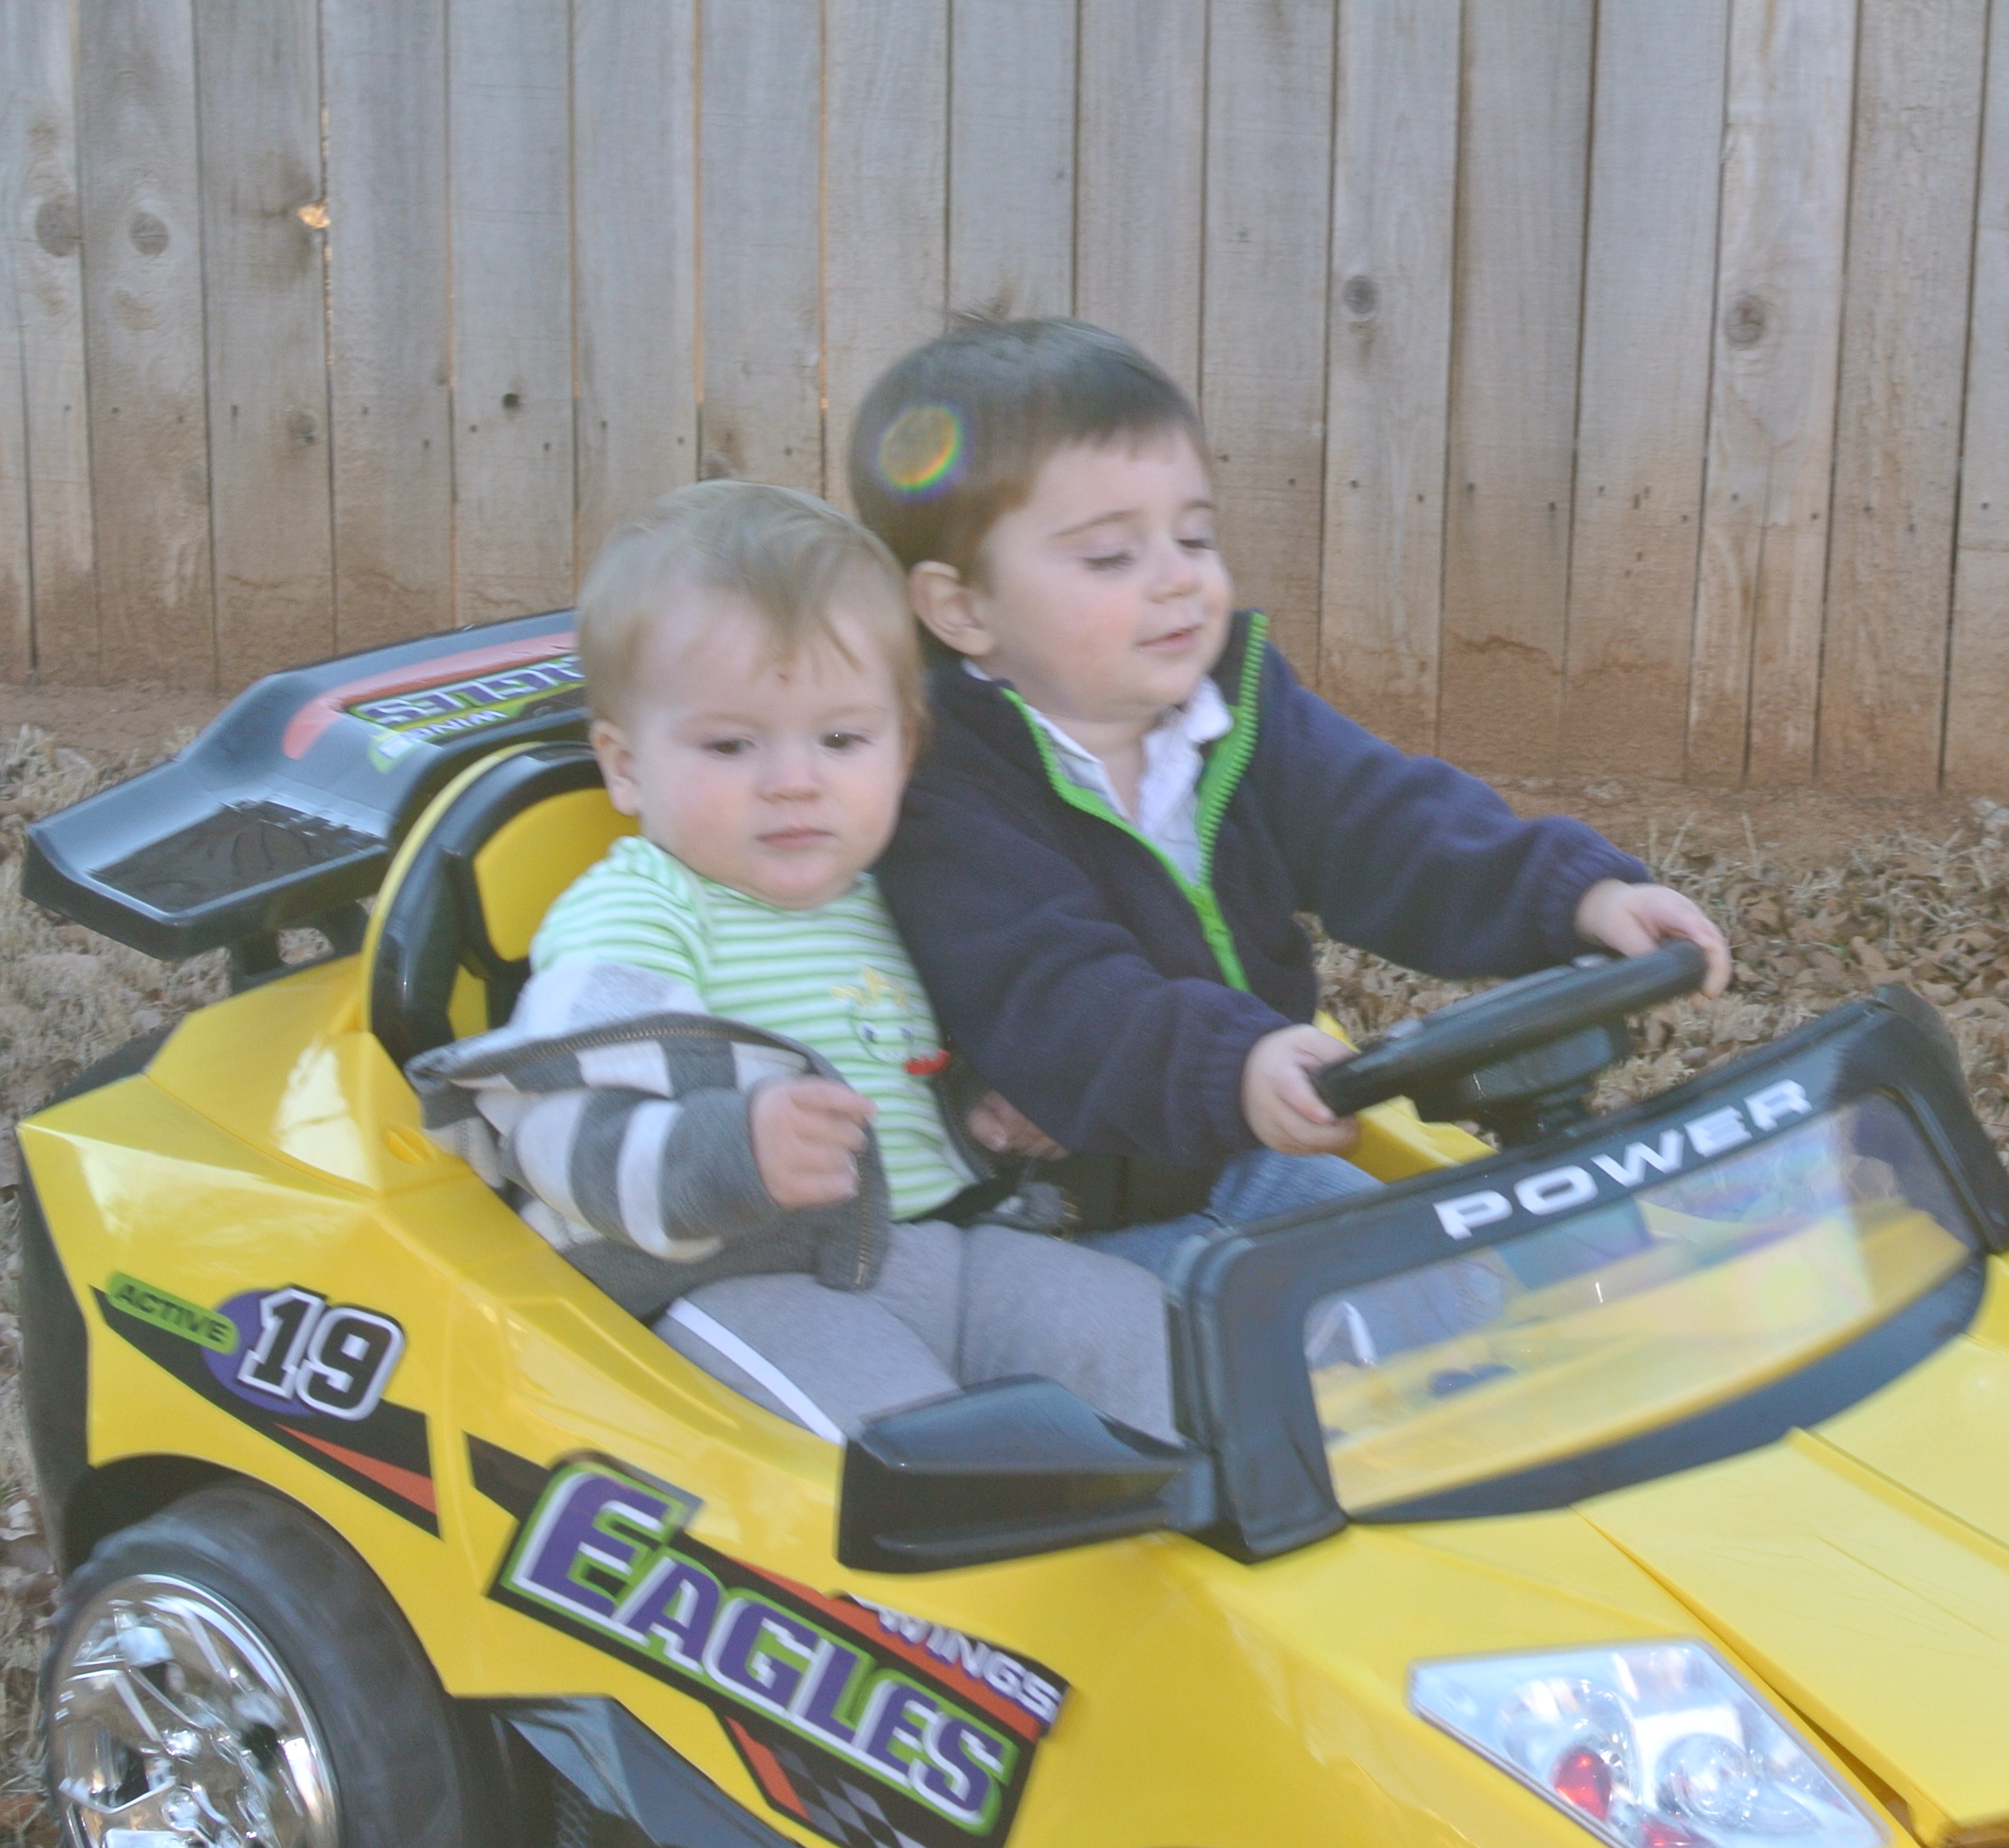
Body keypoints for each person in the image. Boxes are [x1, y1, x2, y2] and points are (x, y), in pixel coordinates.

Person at [853, 317, 1730, 1271]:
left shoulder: (1234, 712)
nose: (1178, 580)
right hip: (1046, 1221)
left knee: (1453, 1288)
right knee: (1265, 1344)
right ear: (962, 608)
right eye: (1109, 556)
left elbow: (1388, 826)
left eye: (1194, 536)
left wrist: (1574, 895)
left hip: (1235, 1160)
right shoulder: (945, 790)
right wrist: (1233, 1064)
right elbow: (1058, 993)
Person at [407, 481, 1173, 1439]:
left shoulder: (898, 895)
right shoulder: (641, 910)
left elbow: (912, 1066)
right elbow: (558, 1130)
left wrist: (989, 1105)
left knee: (1138, 1331)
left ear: (903, 750)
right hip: (740, 1286)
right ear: (627, 766)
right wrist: (733, 1151)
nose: (794, 781)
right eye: (732, 745)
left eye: (842, 739)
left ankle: (1206, 1516)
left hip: (941, 1249)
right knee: (910, 1448)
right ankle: (950, 1543)